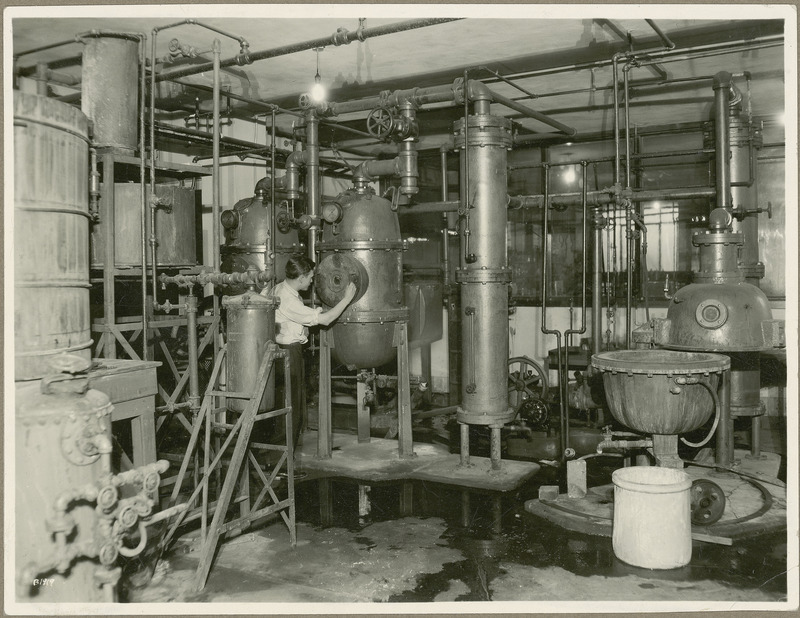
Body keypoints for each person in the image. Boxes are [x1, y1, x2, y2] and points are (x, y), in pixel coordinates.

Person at [264, 255, 356, 449]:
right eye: (311, 277)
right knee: (292, 409)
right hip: (289, 354)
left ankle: (279, 460)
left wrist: (305, 319)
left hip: (281, 352)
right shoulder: (288, 299)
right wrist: (347, 299)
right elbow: (325, 320)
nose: (312, 280)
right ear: (301, 278)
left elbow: (291, 316)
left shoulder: (280, 288)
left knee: (287, 406)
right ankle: (282, 463)